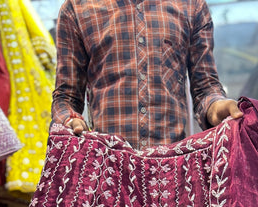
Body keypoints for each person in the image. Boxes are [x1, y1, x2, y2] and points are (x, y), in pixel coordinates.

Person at [51, 0, 243, 148]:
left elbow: (205, 88)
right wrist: (69, 120)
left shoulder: (191, 6)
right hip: (108, 169)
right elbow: (66, 97)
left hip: (172, 168)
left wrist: (218, 107)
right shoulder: (77, 8)